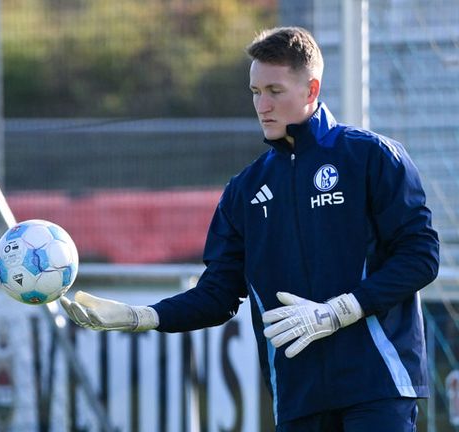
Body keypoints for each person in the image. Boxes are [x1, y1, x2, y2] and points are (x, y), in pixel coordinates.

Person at [60, 26, 439, 432]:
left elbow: (420, 258)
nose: (263, 105)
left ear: (311, 90)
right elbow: (218, 295)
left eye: (275, 91)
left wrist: (339, 311)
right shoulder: (245, 190)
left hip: (376, 385)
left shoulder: (371, 156)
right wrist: (143, 315)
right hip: (298, 396)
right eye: (256, 92)